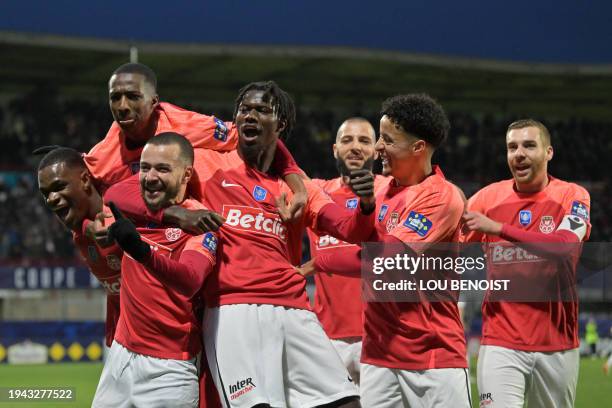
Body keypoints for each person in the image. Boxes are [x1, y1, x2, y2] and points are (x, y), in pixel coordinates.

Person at [109, 81, 376, 408]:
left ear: (280, 125)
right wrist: (177, 215)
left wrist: (365, 205)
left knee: (348, 402)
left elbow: (350, 228)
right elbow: (118, 194)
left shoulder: (298, 186)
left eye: (261, 110)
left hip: (294, 307)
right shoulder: (207, 164)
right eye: (244, 110)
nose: (249, 115)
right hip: (233, 309)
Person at [301, 94, 470, 408]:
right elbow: (353, 228)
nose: (376, 148)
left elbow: (389, 261)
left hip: (432, 357)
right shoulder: (378, 189)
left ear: (418, 148)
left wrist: (321, 262)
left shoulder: (442, 198)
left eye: (387, 140)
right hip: (378, 356)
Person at [84, 62, 306, 235]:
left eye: (133, 97)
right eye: (115, 98)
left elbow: (258, 135)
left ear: (154, 102)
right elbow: (82, 204)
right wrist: (90, 227)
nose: (122, 106)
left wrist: (297, 183)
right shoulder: (101, 158)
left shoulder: (187, 126)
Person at [462, 119, 591, 408]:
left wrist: (499, 228)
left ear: (549, 152)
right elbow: (445, 245)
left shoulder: (573, 195)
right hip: (500, 341)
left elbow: (564, 247)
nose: (518, 153)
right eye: (512, 147)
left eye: (529, 145)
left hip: (557, 344)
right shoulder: (486, 198)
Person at [92, 133, 218, 408]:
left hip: (169, 369)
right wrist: (165, 215)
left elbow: (190, 281)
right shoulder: (137, 206)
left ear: (186, 175)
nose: (150, 177)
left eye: (162, 169)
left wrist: (142, 252)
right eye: (145, 167)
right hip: (120, 358)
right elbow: (112, 193)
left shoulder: (199, 220)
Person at [306, 117, 387, 386]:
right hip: (327, 338)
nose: (355, 147)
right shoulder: (316, 193)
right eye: (347, 140)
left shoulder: (390, 191)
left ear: (376, 150)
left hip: (380, 335)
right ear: (334, 149)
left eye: (364, 140)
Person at [37, 147, 122, 348]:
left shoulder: (125, 213)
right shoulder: (80, 234)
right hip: (122, 341)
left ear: (85, 180)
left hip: (164, 341)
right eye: (45, 193)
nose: (51, 199)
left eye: (59, 186)